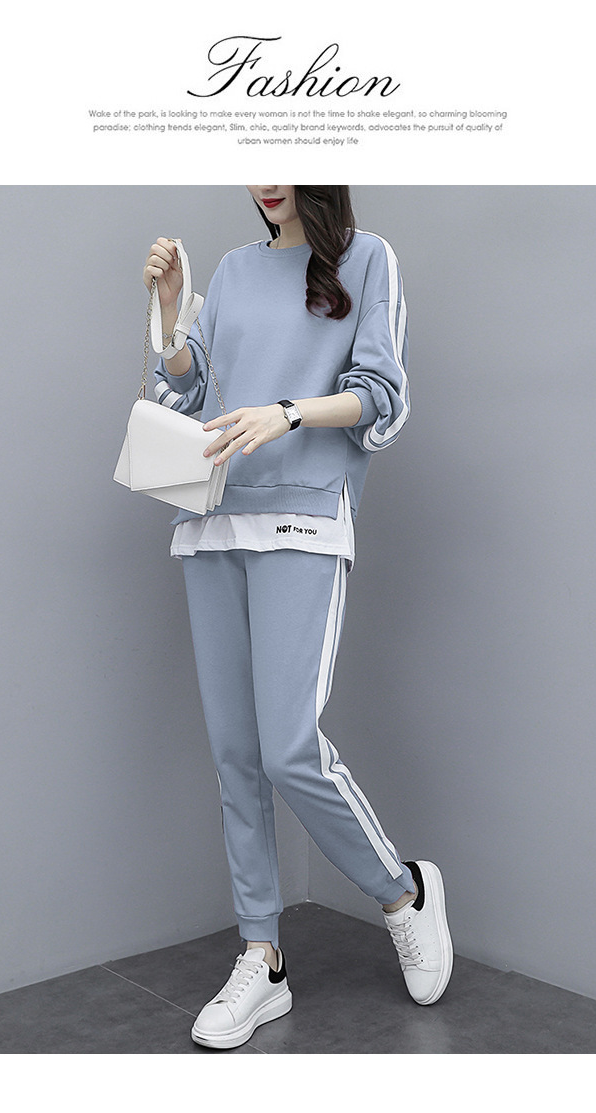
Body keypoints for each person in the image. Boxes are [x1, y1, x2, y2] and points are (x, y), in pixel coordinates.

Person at [143, 186, 453, 1050]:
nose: (268, 177)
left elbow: (381, 394)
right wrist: (172, 313)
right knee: (236, 755)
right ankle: (262, 957)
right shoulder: (235, 270)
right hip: (213, 519)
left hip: (306, 514)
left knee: (288, 747)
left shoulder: (368, 258)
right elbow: (190, 391)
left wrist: (287, 411)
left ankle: (403, 891)